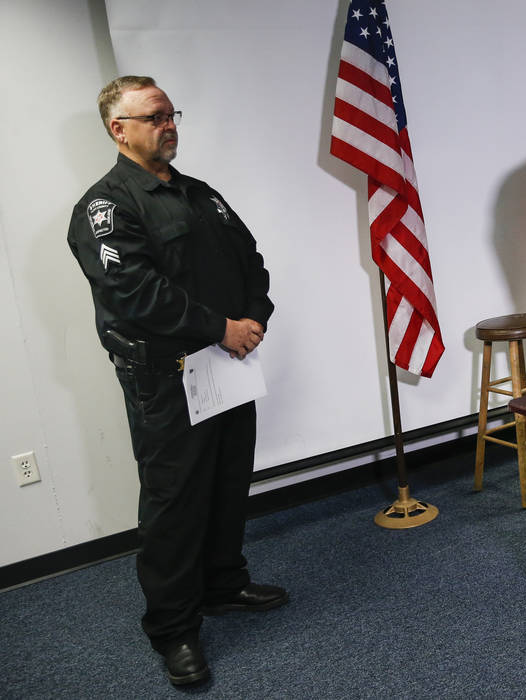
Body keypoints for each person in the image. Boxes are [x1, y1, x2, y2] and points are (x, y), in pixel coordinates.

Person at [67, 76, 286, 687]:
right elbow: (136, 293)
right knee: (174, 502)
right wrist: (221, 326)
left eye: (171, 113)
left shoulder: (199, 193)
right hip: (165, 378)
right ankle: (174, 630)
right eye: (155, 116)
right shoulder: (105, 207)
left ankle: (223, 585)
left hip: (227, 364)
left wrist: (252, 321)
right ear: (120, 129)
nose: (169, 124)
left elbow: (251, 259)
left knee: (226, 481)